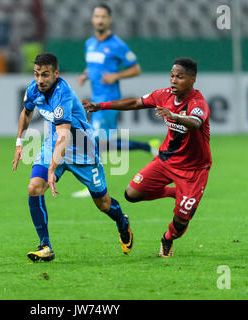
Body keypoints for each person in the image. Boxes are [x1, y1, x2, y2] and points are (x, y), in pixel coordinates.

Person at [83, 57, 212, 258]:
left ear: (192, 80)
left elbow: (195, 123)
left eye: (180, 77)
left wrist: (175, 116)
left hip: (193, 170)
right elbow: (135, 102)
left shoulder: (198, 103)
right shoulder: (163, 95)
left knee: (181, 219)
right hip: (166, 160)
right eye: (172, 76)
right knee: (132, 194)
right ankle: (175, 193)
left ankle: (167, 239)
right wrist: (100, 106)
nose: (174, 80)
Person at [12, 53, 133, 262]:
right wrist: (19, 142)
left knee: (103, 204)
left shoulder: (62, 95)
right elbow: (26, 112)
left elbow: (65, 135)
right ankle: (45, 246)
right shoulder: (33, 88)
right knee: (34, 188)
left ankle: (122, 222)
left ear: (56, 74)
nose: (40, 80)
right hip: (53, 145)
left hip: (82, 151)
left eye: (45, 75)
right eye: (37, 74)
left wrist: (51, 169)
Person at [72, 3, 160, 198]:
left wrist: (115, 76)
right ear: (93, 19)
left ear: (109, 20)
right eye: (97, 16)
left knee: (93, 142)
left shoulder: (117, 45)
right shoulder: (90, 43)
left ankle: (93, 185)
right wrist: (85, 74)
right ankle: (148, 146)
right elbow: (94, 66)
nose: (100, 20)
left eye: (103, 16)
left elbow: (136, 69)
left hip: (109, 101)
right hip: (96, 98)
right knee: (106, 144)